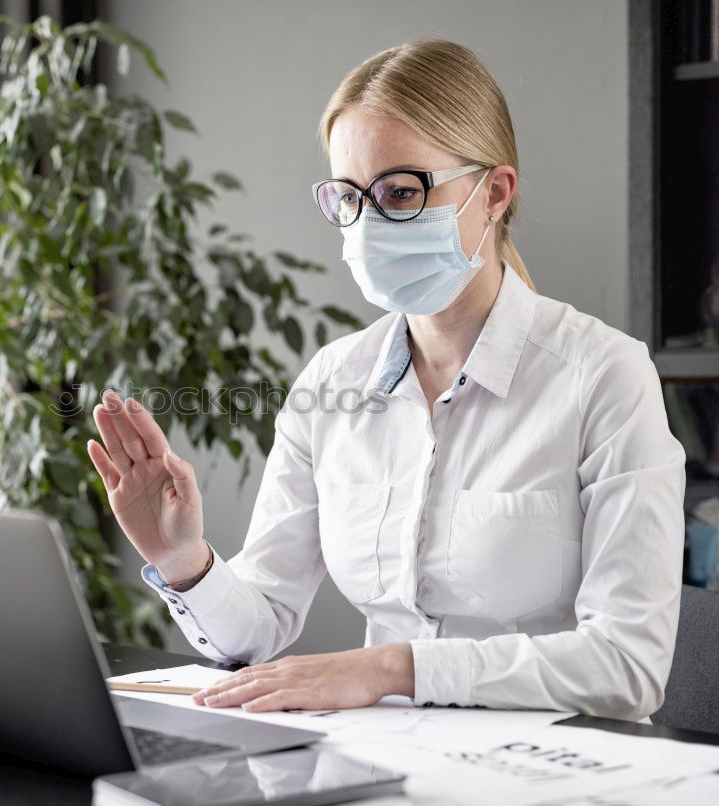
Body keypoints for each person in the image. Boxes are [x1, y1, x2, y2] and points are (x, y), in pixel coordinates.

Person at [86, 39, 686, 720]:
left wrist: (394, 667)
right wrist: (182, 558)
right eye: (349, 196)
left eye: (401, 192)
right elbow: (259, 626)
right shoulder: (332, 382)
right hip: (391, 766)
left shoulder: (603, 377)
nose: (369, 222)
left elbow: (627, 667)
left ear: (494, 193)